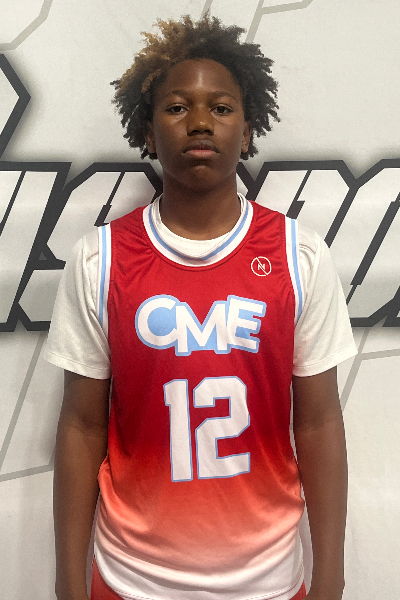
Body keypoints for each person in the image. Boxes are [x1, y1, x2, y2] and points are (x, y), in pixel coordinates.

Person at [45, 13, 357, 600]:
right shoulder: (99, 260)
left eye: (220, 107)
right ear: (147, 131)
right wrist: (67, 582)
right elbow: (82, 426)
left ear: (247, 129)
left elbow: (318, 423)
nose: (199, 123)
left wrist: (332, 578)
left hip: (268, 581)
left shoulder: (299, 256)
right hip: (131, 579)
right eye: (176, 107)